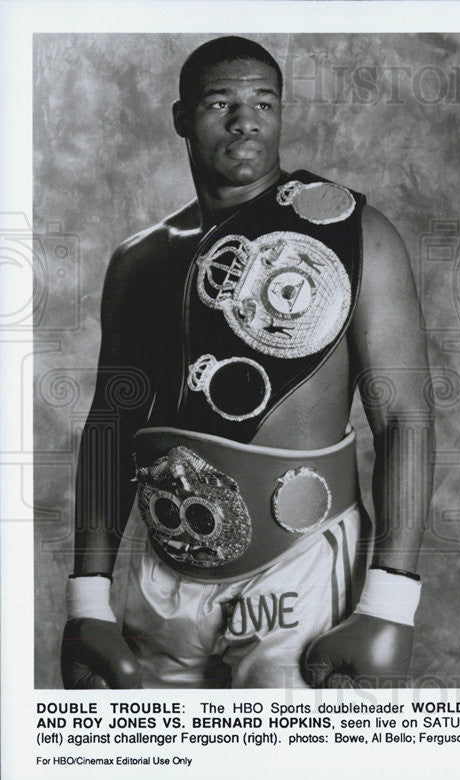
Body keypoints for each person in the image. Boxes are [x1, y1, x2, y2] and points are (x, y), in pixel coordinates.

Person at [61, 36, 434, 689]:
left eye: (264, 101)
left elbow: (405, 417)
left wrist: (390, 602)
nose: (245, 121)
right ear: (182, 117)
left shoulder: (354, 233)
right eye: (220, 103)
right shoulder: (139, 260)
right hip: (164, 572)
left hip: (300, 569)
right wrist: (87, 599)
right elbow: (110, 426)